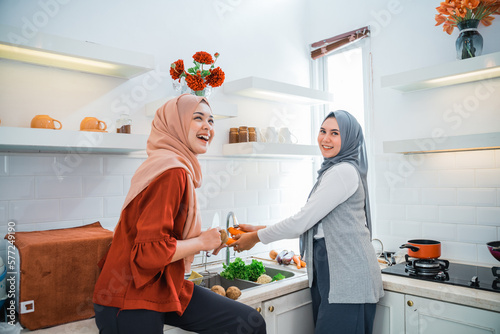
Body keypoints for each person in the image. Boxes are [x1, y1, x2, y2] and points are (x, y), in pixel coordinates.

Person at [93, 93, 266, 334]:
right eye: (198, 118)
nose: (208, 126)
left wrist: (205, 241)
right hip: (129, 297)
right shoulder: (171, 172)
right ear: (176, 124)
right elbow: (148, 252)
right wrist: (200, 242)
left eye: (211, 120)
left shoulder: (171, 166)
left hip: (162, 285)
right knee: (248, 324)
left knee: (247, 323)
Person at [233, 110, 384, 334]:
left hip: (348, 274)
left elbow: (302, 221)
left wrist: (255, 238)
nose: (325, 138)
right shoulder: (336, 170)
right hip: (335, 269)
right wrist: (258, 229)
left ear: (350, 138)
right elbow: (314, 222)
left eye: (335, 133)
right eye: (322, 131)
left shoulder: (342, 172)